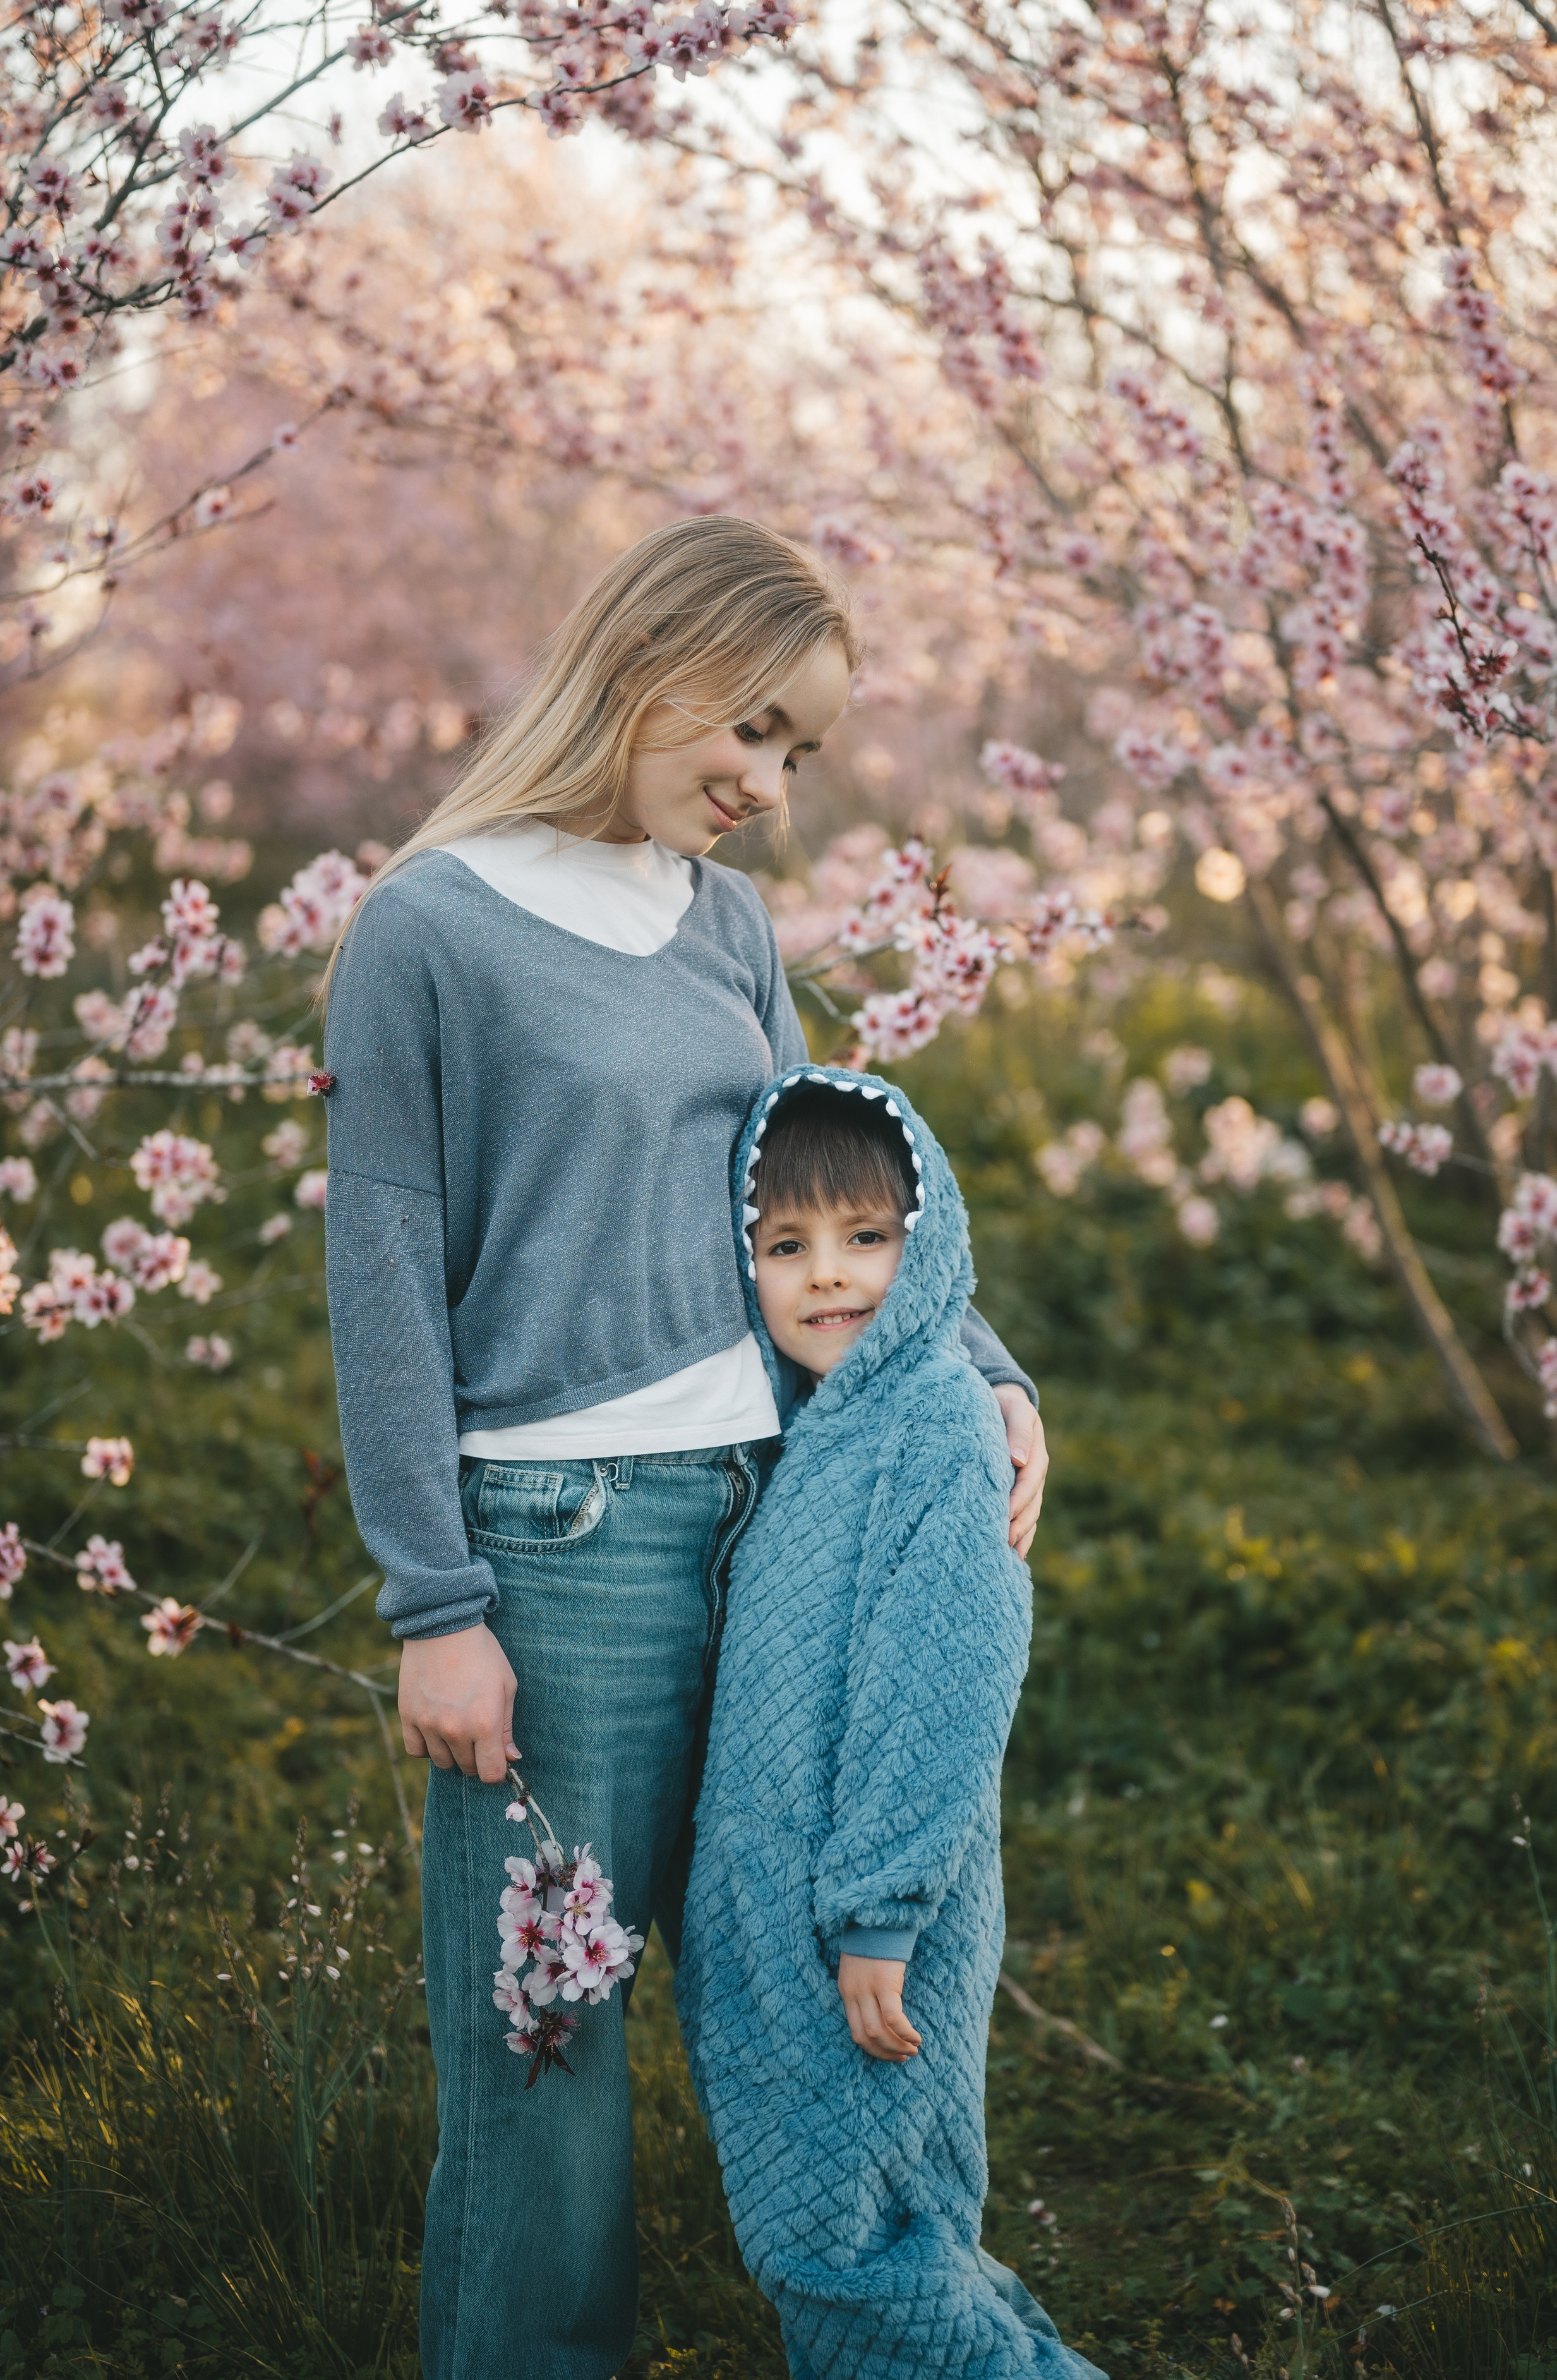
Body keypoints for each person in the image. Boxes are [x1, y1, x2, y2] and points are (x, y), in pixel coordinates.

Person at [317, 516, 1050, 2380]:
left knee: (820, 1976)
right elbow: (386, 1271)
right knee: (546, 2032)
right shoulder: (430, 929)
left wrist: (981, 1364)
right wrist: (435, 1602)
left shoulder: (726, 924)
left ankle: (891, 2310)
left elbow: (822, 1184)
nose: (769, 786)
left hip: (779, 1518)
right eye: (753, 729)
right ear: (650, 661)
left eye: (800, 752)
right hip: (565, 1552)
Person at [677, 1070, 1104, 2379]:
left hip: (873, 1912)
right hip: (791, 1902)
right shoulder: (815, 1419)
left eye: (868, 1238)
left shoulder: (933, 1423)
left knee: (833, 2239)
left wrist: (879, 1912)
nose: (830, 1280)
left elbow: (942, 1685)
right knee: (882, 2208)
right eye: (785, 1247)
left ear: (931, 1246)